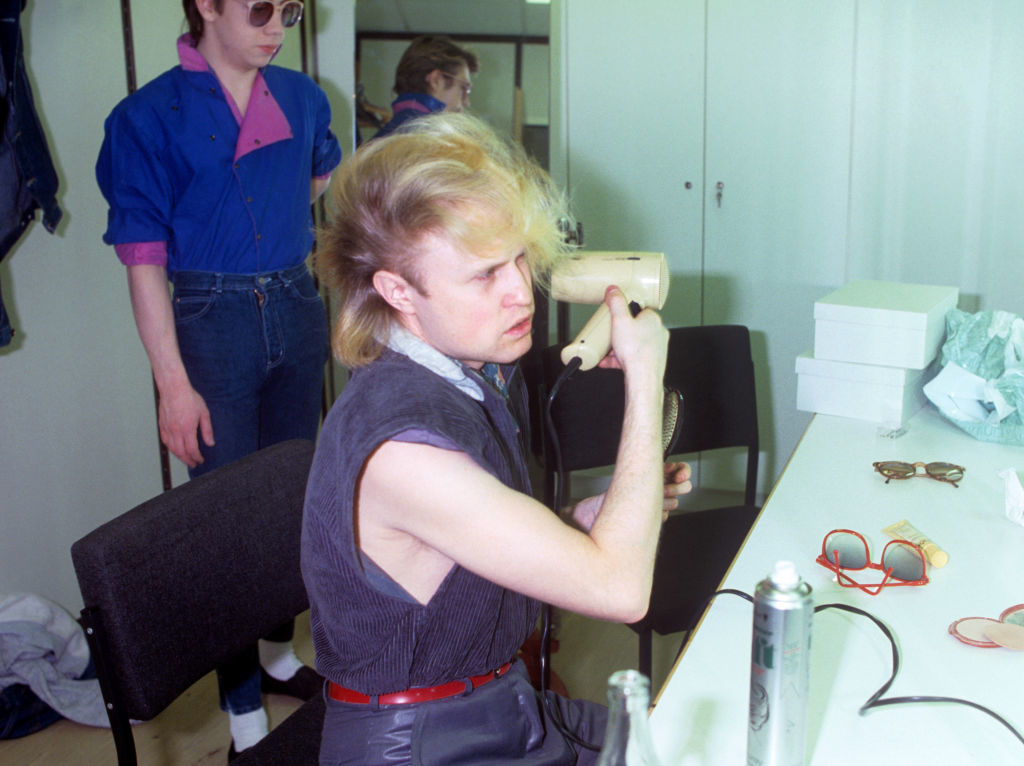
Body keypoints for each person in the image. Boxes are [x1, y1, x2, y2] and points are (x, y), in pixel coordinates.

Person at [302, 112, 692, 765]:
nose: (521, 293)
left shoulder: (468, 369)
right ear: (398, 290)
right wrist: (645, 379)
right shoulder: (403, 450)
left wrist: (568, 525)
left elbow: (459, 546)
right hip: (420, 742)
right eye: (485, 275)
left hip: (493, 701)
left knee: (684, 739)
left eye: (520, 259)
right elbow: (621, 590)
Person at [95, 0, 341, 759]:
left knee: (293, 503)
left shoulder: (301, 97)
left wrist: (265, 239)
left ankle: (276, 656)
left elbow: (314, 180)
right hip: (210, 318)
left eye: (291, 11)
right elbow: (143, 261)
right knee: (228, 529)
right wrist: (173, 384)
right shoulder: (148, 114)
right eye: (260, 8)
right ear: (205, 4)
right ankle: (243, 719)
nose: (277, 27)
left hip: (297, 306)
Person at [372, 35, 478, 139]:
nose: (466, 102)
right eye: (464, 88)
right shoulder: (435, 142)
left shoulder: (378, 141)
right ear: (436, 80)